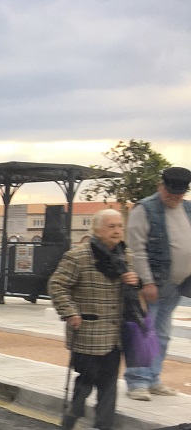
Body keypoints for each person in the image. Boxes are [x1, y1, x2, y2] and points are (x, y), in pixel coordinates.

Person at [48, 209, 140, 430]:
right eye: (111, 226)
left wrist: (133, 282)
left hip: (114, 336)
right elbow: (57, 285)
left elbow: (131, 295)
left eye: (120, 226)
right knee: (86, 382)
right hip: (87, 332)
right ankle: (71, 418)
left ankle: (104, 425)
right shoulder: (78, 256)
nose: (117, 231)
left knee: (109, 385)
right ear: (97, 230)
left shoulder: (126, 256)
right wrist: (70, 312)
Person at [123, 166, 191, 401]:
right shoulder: (144, 209)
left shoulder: (188, 209)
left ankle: (153, 379)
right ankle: (137, 382)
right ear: (161, 186)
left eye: (179, 194)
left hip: (177, 285)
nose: (174, 197)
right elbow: (137, 249)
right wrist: (147, 281)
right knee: (144, 334)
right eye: (170, 192)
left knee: (162, 335)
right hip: (152, 285)